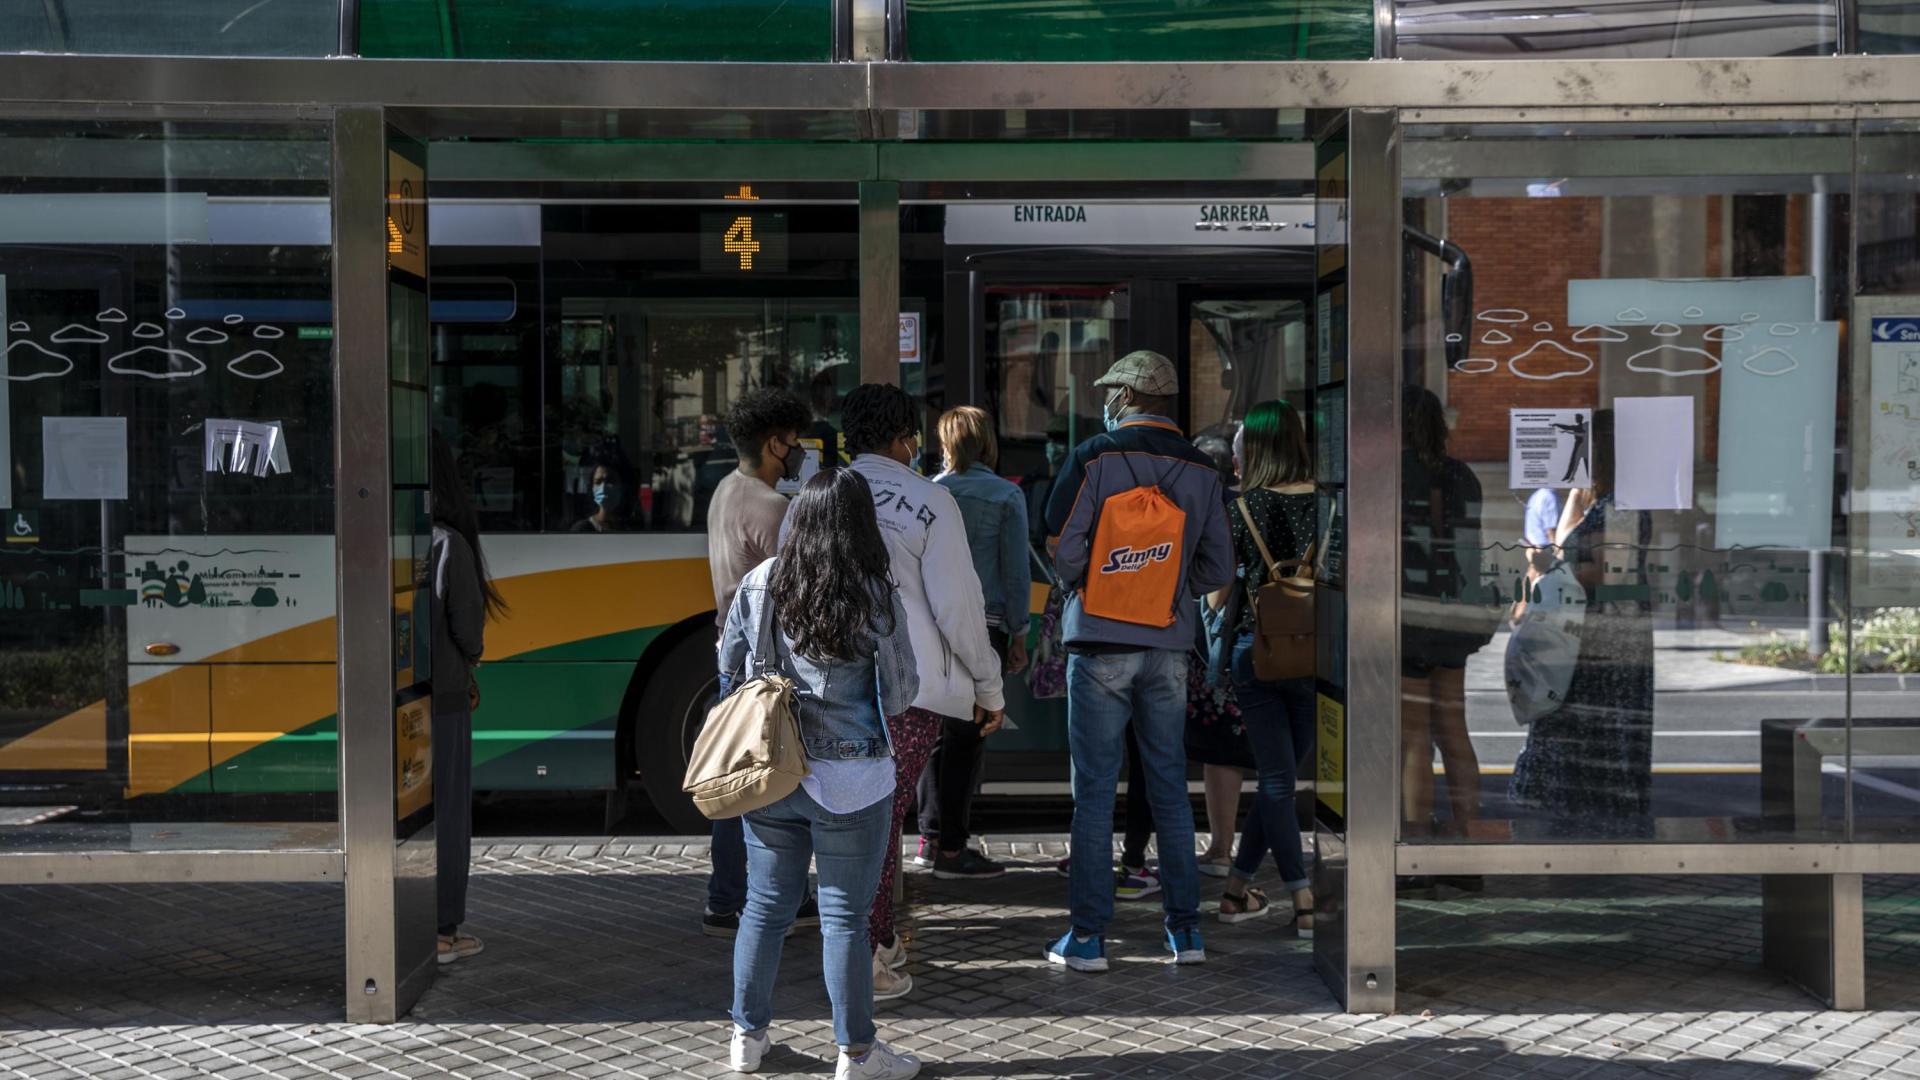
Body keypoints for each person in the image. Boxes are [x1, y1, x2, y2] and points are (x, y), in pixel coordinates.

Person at [720, 468, 923, 1080]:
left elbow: (729, 667)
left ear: (798, 518)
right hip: (852, 783)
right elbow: (902, 691)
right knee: (844, 920)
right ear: (861, 525)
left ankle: (745, 1039)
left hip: (770, 776)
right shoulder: (874, 594)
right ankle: (858, 1054)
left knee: (763, 908)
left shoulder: (759, 584)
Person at [1043, 350, 1235, 971]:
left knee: (1095, 794)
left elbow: (1060, 542)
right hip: (1170, 646)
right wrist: (1168, 589)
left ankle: (1089, 937)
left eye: (1110, 392)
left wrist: (1093, 583)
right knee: (1170, 790)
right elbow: (1219, 567)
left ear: (1124, 397)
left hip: (1099, 642)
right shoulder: (1204, 469)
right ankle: (1186, 933)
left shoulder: (1095, 456)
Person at [836, 384, 1006, 997]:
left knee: (847, 820)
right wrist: (988, 685)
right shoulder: (928, 500)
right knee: (883, 821)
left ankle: (868, 941)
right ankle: (871, 950)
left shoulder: (819, 496)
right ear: (906, 438)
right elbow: (960, 608)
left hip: (830, 689)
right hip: (910, 691)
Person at [702, 387, 819, 940]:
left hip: (731, 653)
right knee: (773, 782)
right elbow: (795, 592)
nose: (799, 450)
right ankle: (777, 898)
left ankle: (725, 899)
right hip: (767, 665)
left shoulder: (725, 489)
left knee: (740, 778)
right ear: (775, 443)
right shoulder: (776, 509)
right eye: (794, 441)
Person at [1511, 410, 1656, 837]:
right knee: (1571, 717)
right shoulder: (1600, 502)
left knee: (1595, 722)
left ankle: (1599, 815)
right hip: (1584, 630)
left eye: (1582, 451)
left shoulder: (1625, 505)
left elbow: (1610, 571)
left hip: (1605, 634)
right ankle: (1578, 809)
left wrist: (1553, 565)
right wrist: (1578, 489)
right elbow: (1565, 542)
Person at [1209, 401, 1318, 934]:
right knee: (1281, 779)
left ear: (1251, 450)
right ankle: (1236, 890)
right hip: (1317, 655)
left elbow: (1214, 599)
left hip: (1256, 654)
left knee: (1277, 782)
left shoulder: (1242, 508)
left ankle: (1300, 899)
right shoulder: (1331, 505)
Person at [913, 406, 1026, 880]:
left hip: (933, 625)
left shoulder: (930, 493)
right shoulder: (1006, 496)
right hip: (986, 626)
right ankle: (954, 852)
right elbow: (1015, 572)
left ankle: (928, 837)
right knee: (969, 736)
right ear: (985, 443)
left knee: (931, 736)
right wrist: (1019, 633)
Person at [428, 432, 509, 965]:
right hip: (445, 697)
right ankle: (442, 930)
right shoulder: (449, 544)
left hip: (395, 700)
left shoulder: (384, 538)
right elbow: (469, 633)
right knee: (450, 812)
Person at [1400, 387, 1489, 842]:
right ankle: (1465, 833)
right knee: (1453, 727)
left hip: (1409, 616)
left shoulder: (1392, 474)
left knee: (1413, 735)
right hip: (1455, 616)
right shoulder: (1462, 475)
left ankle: (1415, 839)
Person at [1189, 429, 1250, 878]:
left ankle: (1222, 848)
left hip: (1223, 649)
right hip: (1275, 646)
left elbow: (1214, 590)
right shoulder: (1253, 502)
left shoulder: (1214, 510)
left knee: (1221, 751)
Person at [569, 462, 631, 533]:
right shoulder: (581, 529)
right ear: (592, 488)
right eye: (598, 482)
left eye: (610, 481)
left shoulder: (628, 528)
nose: (603, 487)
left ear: (621, 487)